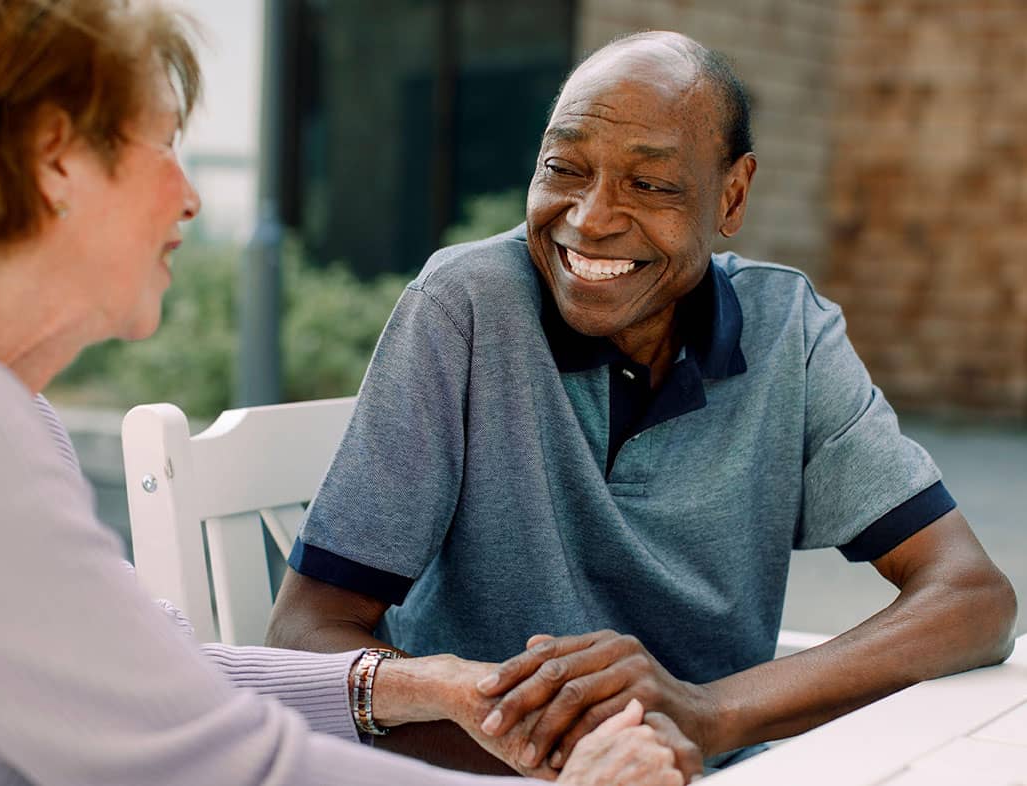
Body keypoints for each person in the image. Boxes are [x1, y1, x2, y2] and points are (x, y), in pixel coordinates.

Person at [0, 3, 699, 784]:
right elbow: (219, 764)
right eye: (163, 145)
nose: (189, 197)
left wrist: (429, 685)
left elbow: (136, 674)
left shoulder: (7, 408)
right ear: (56, 159)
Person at [267, 29, 1019, 775]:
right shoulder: (464, 308)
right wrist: (577, 752)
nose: (591, 218)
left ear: (732, 195)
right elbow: (305, 633)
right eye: (565, 168)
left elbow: (971, 598)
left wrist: (709, 714)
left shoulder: (791, 332)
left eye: (650, 184)